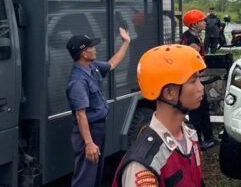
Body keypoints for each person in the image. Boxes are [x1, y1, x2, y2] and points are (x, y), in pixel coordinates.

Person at [112, 44, 207, 186]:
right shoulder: (144, 164)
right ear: (169, 93)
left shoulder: (189, 133)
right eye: (193, 81)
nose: (201, 87)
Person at [66, 28, 132, 187]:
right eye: (91, 47)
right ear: (83, 53)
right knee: (85, 178)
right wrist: (89, 143)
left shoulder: (93, 67)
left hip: (98, 129)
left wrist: (126, 42)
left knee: (95, 175)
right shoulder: (78, 82)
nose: (95, 49)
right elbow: (81, 115)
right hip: (89, 132)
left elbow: (112, 63)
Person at [180, 9, 219, 150]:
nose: (205, 23)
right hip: (192, 80)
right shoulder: (191, 42)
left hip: (195, 79)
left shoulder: (193, 37)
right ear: (194, 24)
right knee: (197, 111)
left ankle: (208, 138)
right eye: (202, 21)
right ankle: (199, 141)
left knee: (203, 109)